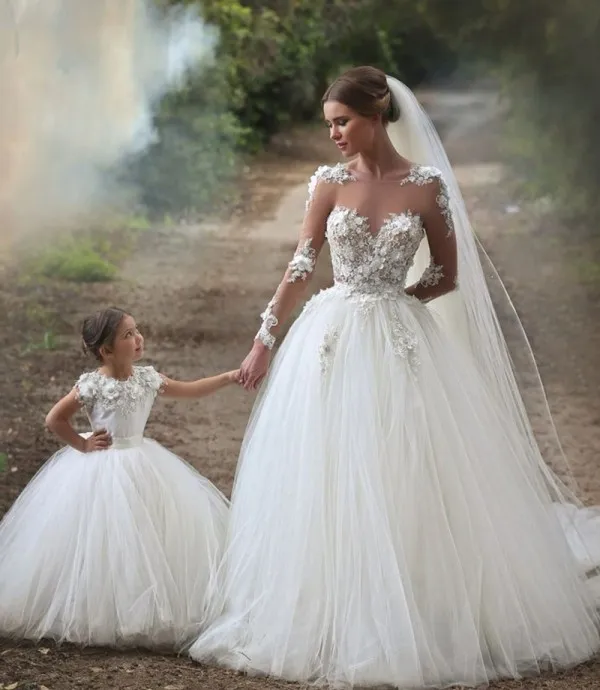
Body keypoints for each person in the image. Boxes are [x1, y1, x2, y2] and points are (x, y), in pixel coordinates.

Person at [188, 66, 600, 687]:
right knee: (330, 468)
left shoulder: (427, 185)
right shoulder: (327, 183)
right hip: (330, 339)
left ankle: (416, 604)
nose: (334, 135)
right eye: (329, 124)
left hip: (402, 341)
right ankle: (330, 604)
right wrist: (264, 342)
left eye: (343, 121)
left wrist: (395, 301)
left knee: (406, 467)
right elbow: (302, 266)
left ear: (377, 116)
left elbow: (448, 276)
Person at [0, 306, 239, 649]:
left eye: (136, 330)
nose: (138, 338)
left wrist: (228, 377)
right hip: (102, 468)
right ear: (106, 350)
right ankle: (97, 610)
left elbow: (190, 390)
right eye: (127, 335)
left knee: (145, 536)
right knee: (101, 539)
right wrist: (82, 445)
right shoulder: (93, 384)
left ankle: (142, 611)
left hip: (143, 462)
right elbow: (55, 419)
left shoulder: (147, 378)